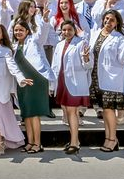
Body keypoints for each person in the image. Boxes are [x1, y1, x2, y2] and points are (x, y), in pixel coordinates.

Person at [89, 10, 124, 153]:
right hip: (96, 77)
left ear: (117, 23)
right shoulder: (95, 33)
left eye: (112, 20)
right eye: (106, 19)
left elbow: (123, 59)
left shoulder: (119, 38)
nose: (108, 22)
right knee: (104, 110)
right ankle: (108, 138)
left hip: (111, 78)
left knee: (109, 110)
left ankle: (112, 139)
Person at [0, 24, 26, 156]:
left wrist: (20, 78)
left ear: (2, 36)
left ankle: (1, 143)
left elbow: (12, 66)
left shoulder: (6, 51)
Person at [9, 19, 51, 153]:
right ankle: (30, 142)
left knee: (34, 113)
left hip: (36, 81)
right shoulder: (14, 46)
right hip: (22, 83)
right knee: (26, 113)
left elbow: (42, 34)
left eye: (21, 30)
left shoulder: (34, 41)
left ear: (27, 31)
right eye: (16, 30)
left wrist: (45, 21)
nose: (18, 32)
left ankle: (37, 144)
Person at [50, 19, 89, 154]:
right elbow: (55, 65)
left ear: (75, 31)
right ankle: (75, 140)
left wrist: (86, 58)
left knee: (72, 112)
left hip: (74, 82)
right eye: (64, 30)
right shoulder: (59, 45)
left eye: (70, 30)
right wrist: (52, 85)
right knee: (68, 112)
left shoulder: (81, 43)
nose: (67, 32)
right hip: (61, 82)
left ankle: (74, 143)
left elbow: (88, 65)